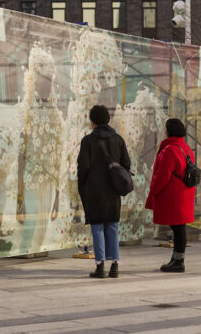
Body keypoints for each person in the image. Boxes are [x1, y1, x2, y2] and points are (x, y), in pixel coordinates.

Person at [77, 104, 131, 278]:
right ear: (107, 120)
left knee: (97, 226)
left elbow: (83, 166)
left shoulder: (88, 141)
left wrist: (83, 185)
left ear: (92, 122)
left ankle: (100, 266)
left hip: (94, 190)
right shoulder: (118, 140)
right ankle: (115, 265)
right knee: (112, 225)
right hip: (113, 190)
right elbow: (126, 164)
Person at [146, 118, 196, 273]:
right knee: (179, 227)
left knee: (178, 228)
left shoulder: (170, 150)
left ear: (168, 131)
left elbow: (163, 175)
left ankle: (178, 261)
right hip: (184, 193)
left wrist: (153, 191)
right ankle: (176, 258)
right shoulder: (186, 148)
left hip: (173, 195)